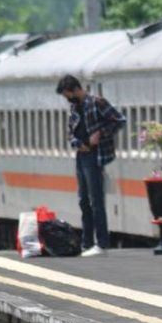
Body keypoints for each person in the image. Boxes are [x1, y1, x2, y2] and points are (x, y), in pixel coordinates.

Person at [56, 75, 125, 257]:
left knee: (96, 201)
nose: (67, 98)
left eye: (67, 94)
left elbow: (119, 120)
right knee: (83, 200)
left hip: (95, 156)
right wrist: (79, 143)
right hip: (81, 155)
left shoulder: (97, 103)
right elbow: (70, 133)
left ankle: (101, 243)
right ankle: (86, 243)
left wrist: (100, 134)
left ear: (74, 90)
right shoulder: (74, 108)